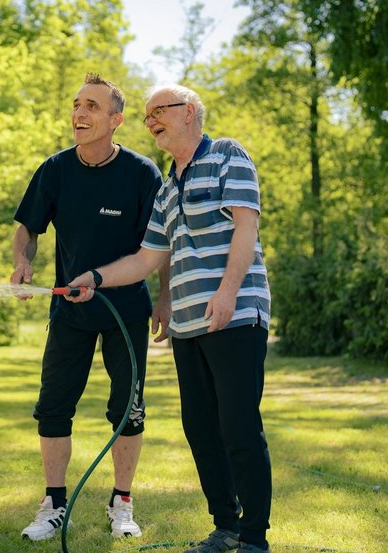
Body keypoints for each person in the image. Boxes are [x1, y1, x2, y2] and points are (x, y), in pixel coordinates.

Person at [67, 83, 273, 553]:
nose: (152, 120)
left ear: (191, 112)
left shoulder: (227, 155)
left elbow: (246, 226)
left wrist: (225, 294)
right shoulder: (168, 185)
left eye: (161, 110)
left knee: (239, 427)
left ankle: (255, 539)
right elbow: (145, 259)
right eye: (147, 115)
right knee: (200, 428)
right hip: (187, 325)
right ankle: (226, 528)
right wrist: (95, 278)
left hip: (236, 315)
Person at [10, 72, 170, 541]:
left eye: (93, 107)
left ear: (116, 120)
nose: (80, 113)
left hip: (128, 312)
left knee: (129, 408)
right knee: (54, 407)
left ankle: (122, 503)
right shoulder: (55, 169)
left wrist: (164, 296)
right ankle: (54, 504)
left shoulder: (143, 174)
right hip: (70, 311)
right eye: (77, 105)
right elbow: (28, 229)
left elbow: (159, 246)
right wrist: (22, 262)